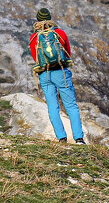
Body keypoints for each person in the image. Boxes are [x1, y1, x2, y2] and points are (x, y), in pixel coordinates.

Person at [29, 8, 85, 145]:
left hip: (45, 75)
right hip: (61, 72)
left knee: (53, 107)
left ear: (37, 20)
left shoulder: (34, 38)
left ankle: (61, 138)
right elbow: (67, 53)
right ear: (50, 18)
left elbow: (35, 57)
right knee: (71, 106)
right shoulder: (60, 33)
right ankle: (78, 139)